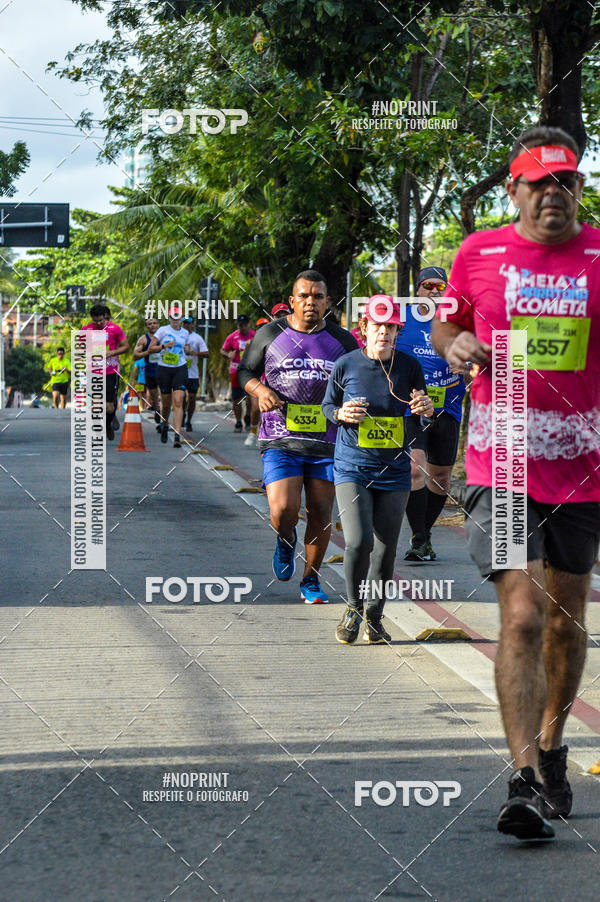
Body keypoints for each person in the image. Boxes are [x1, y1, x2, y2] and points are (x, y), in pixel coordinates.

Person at [432, 126, 600, 842]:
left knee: (566, 620)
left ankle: (556, 746)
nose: (553, 195)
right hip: (499, 463)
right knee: (524, 614)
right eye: (539, 183)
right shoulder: (479, 254)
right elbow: (444, 328)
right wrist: (455, 344)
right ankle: (525, 778)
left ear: (579, 189)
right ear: (516, 190)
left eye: (566, 182)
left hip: (584, 467)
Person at [238, 270, 358, 603]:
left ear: (328, 303)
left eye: (318, 296)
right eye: (303, 296)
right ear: (292, 300)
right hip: (280, 438)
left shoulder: (344, 341)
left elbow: (360, 378)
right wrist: (259, 389)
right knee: (283, 511)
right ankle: (286, 539)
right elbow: (244, 371)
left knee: (321, 512)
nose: (310, 302)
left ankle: (311, 581)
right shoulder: (269, 333)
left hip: (327, 441)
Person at [322, 296, 433, 644]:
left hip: (395, 469)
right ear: (365, 328)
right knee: (358, 541)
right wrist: (341, 414)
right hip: (353, 466)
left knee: (385, 550)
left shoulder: (410, 367)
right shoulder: (346, 364)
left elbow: (419, 411)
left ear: (397, 331)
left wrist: (426, 408)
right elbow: (327, 405)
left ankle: (374, 616)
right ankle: (353, 608)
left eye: (390, 327)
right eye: (377, 326)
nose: (383, 332)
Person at [398, 267, 466, 561]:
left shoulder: (460, 321)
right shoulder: (402, 318)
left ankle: (423, 535)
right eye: (429, 285)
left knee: (441, 478)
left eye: (442, 286)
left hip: (447, 407)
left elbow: (484, 360)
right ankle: (419, 536)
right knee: (415, 468)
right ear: (418, 289)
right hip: (411, 407)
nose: (435, 291)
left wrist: (469, 365)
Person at [81, 304, 129, 440]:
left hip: (111, 371)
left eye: (101, 320)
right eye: (95, 321)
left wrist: (112, 352)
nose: (98, 323)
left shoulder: (115, 329)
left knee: (109, 407)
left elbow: (126, 347)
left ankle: (108, 424)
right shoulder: (86, 330)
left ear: (105, 317)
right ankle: (96, 433)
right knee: (96, 404)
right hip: (93, 371)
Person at [148, 307, 190, 448]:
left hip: (180, 368)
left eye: (178, 318)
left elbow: (187, 347)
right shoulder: (163, 331)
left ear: (181, 318)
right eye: (173, 318)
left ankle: (177, 434)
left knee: (178, 401)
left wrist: (188, 350)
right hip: (164, 369)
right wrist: (164, 346)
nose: (176, 320)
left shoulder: (185, 332)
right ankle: (165, 424)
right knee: (166, 404)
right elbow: (151, 348)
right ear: (169, 318)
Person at [221, 314, 256, 432]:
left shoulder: (254, 335)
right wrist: (228, 355)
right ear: (238, 325)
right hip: (236, 370)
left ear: (249, 324)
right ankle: (238, 422)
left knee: (250, 397)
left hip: (250, 370)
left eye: (245, 324)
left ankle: (247, 417)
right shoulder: (232, 337)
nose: (243, 327)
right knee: (236, 399)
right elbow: (223, 350)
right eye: (241, 325)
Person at [181, 317, 209, 431]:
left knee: (192, 398)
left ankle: (189, 420)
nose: (187, 325)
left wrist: (194, 353)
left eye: (189, 323)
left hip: (193, 373)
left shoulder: (197, 338)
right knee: (181, 396)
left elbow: (207, 354)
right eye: (185, 323)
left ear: (193, 324)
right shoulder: (178, 335)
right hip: (180, 371)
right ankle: (181, 414)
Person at [133, 316, 161, 429]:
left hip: (164, 371)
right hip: (150, 373)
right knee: (154, 397)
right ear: (146, 327)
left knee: (164, 396)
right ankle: (157, 410)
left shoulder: (164, 337)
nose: (152, 325)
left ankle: (162, 419)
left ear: (158, 325)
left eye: (154, 323)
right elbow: (135, 356)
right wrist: (148, 352)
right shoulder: (143, 339)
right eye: (149, 324)